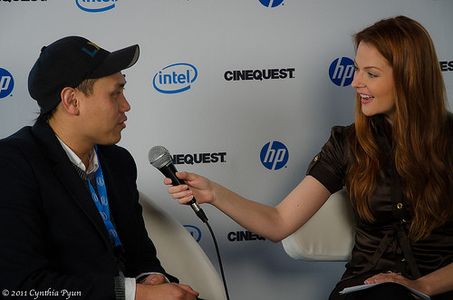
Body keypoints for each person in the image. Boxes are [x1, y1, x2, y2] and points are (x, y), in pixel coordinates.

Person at [166, 16, 453, 300]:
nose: (355, 82)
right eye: (356, 70)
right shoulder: (346, 143)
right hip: (366, 290)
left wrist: (424, 286)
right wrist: (214, 193)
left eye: (371, 73)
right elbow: (278, 222)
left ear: (409, 77)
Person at [0, 36, 199, 300]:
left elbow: (140, 253)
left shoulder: (119, 162)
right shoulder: (12, 164)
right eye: (115, 93)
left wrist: (151, 277)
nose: (126, 106)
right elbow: (20, 286)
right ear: (72, 101)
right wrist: (137, 294)